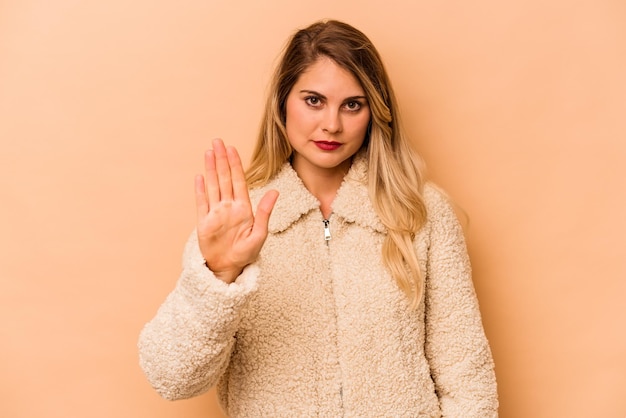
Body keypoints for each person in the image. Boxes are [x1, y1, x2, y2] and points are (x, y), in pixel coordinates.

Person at [138, 19, 498, 417]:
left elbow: (466, 373)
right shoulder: (237, 219)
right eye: (313, 100)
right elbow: (172, 378)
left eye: (352, 104)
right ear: (283, 103)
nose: (332, 124)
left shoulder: (422, 213)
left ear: (375, 112)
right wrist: (219, 274)